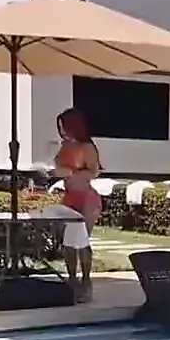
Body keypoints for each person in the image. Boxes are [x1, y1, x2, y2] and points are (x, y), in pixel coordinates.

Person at [54, 107, 103, 302]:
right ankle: (72, 280)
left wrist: (72, 173)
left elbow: (94, 171)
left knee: (82, 240)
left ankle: (86, 281)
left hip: (86, 198)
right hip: (70, 196)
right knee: (68, 243)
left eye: (63, 127)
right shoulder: (65, 146)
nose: (61, 131)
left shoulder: (87, 147)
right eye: (59, 128)